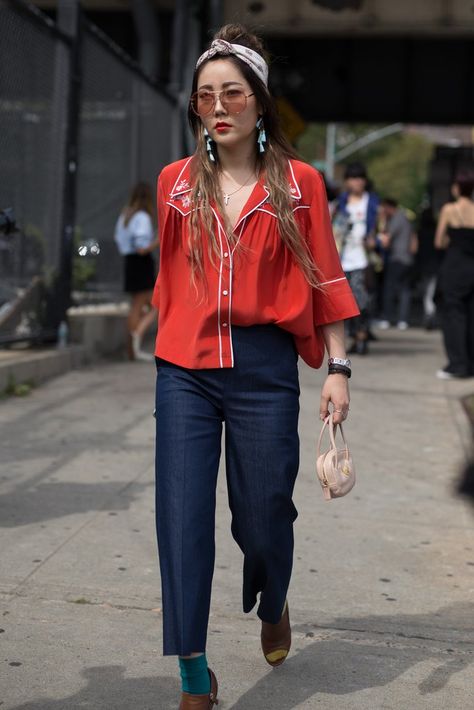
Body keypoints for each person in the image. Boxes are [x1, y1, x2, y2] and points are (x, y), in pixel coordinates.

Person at [152, 24, 359, 709]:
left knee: (265, 517)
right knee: (180, 519)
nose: (218, 106)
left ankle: (273, 598)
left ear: (259, 102)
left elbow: (326, 278)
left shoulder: (300, 185)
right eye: (205, 95)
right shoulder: (174, 184)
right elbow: (167, 278)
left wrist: (337, 369)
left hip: (265, 368)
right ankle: (192, 676)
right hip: (183, 367)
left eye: (232, 93)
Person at [333, 162, 379, 355]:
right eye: (353, 178)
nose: (357, 182)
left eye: (360, 178)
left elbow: (381, 229)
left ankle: (362, 336)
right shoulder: (341, 202)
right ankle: (354, 337)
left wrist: (375, 240)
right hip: (343, 258)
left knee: (361, 301)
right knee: (345, 303)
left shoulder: (373, 202)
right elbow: (332, 227)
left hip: (364, 258)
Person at [434, 171, 474, 379]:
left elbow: (439, 241)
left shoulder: (450, 209)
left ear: (457, 188)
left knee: (453, 315)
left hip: (454, 266)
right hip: (472, 267)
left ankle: (457, 364)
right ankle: (470, 363)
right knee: (470, 315)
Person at [114, 182, 159, 361]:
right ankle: (136, 338)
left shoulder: (126, 215)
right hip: (141, 262)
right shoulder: (142, 217)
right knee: (154, 305)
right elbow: (142, 248)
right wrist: (158, 241)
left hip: (130, 261)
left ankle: (132, 347)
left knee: (138, 304)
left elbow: (120, 239)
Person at [377, 197, 416, 330]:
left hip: (397, 258)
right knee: (405, 290)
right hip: (408, 258)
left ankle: (387, 318)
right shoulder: (406, 217)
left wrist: (382, 221)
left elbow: (386, 239)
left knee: (389, 288)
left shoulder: (397, 218)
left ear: (388, 207)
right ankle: (403, 320)